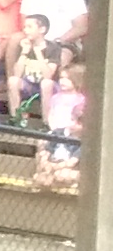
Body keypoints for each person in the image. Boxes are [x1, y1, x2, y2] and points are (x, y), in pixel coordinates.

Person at [36, 59, 86, 191]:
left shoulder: (81, 100)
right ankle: (43, 171)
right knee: (42, 144)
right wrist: (53, 128)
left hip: (72, 132)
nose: (62, 81)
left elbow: (77, 119)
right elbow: (51, 114)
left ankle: (59, 173)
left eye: (67, 78)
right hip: (57, 130)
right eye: (61, 78)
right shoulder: (55, 97)